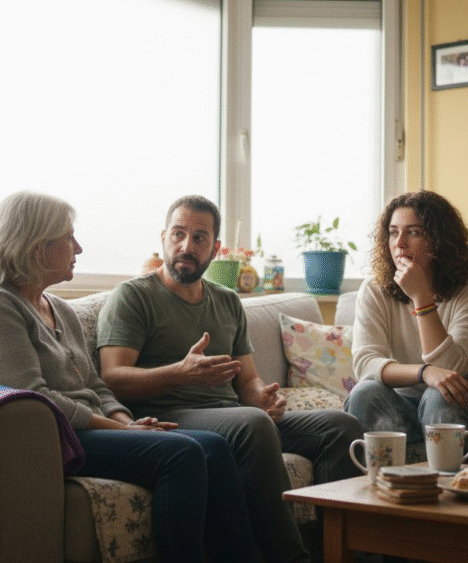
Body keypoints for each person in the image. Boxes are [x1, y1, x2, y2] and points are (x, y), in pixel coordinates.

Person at [0, 191, 259, 563]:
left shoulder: (58, 308)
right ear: (35, 245)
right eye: (67, 237)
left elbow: (95, 386)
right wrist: (122, 432)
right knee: (182, 454)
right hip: (52, 438)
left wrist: (125, 419)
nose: (77, 248)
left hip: (89, 429)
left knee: (213, 446)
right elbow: (34, 396)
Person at [96, 195, 363, 563]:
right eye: (178, 234)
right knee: (251, 424)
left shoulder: (226, 301)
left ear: (216, 248)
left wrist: (263, 397)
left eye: (199, 238)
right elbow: (112, 378)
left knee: (340, 425)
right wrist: (179, 373)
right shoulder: (133, 296)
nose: (186, 246)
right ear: (163, 237)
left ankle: (338, 554)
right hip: (172, 416)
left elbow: (248, 380)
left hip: (232, 415)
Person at [344, 191, 468, 461]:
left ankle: (446, 493)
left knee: (439, 396)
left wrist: (421, 298)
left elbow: (451, 369)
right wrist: (425, 373)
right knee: (365, 393)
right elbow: (366, 364)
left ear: (439, 240)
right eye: (392, 233)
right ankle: (380, 493)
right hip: (399, 401)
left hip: (460, 397)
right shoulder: (373, 289)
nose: (399, 243)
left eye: (413, 232)